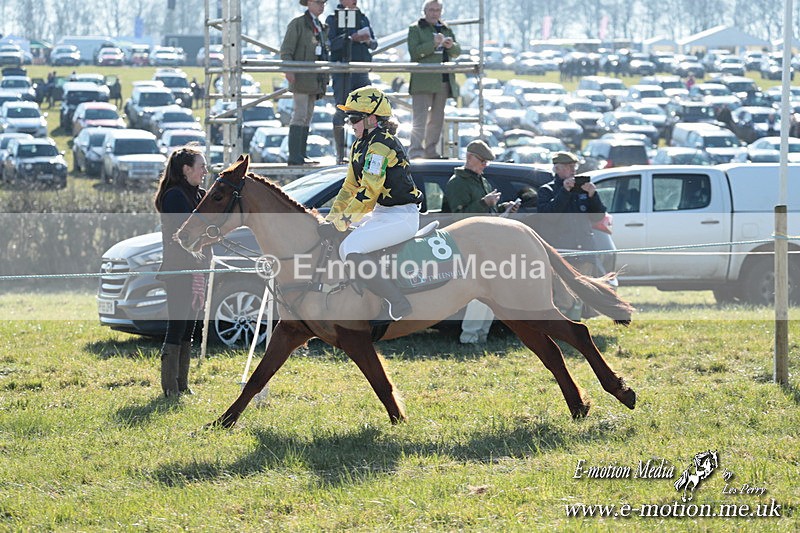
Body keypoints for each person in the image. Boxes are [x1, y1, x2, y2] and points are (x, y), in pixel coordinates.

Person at [318, 86, 422, 325]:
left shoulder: (381, 146)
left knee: (350, 249)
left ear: (372, 118)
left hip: (401, 217)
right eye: (349, 118)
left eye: (355, 118)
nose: (351, 124)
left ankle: (398, 303)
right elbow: (349, 188)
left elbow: (369, 191)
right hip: (382, 214)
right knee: (340, 241)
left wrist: (342, 224)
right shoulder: (360, 145)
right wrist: (331, 220)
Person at [440, 140, 519, 343]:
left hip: (484, 244)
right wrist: (485, 202)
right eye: (482, 161)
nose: (485, 165)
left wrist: (503, 208)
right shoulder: (457, 183)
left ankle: (480, 334)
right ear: (469, 158)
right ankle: (470, 336)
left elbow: (486, 213)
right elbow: (460, 219)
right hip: (466, 245)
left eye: (487, 162)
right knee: (481, 290)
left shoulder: (481, 181)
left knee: (489, 290)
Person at [153, 145, 211, 397]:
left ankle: (182, 384)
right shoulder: (174, 196)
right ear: (187, 169)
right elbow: (190, 232)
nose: (205, 171)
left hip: (196, 269)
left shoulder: (199, 194)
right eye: (201, 167)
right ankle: (169, 387)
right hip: (179, 270)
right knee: (177, 326)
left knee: (189, 327)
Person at [536, 151, 608, 321]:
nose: (573, 170)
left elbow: (597, 217)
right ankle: (561, 331)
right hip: (562, 254)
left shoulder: (581, 190)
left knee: (580, 298)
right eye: (569, 167)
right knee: (564, 299)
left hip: (584, 250)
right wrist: (565, 191)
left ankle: (575, 330)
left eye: (574, 166)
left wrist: (593, 196)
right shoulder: (547, 190)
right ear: (557, 168)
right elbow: (549, 216)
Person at [407, 0, 461, 159]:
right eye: (431, 10)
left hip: (443, 81)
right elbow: (414, 52)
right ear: (424, 11)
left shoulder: (446, 29)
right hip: (423, 81)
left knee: (437, 119)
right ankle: (416, 151)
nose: (434, 13)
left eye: (437, 10)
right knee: (420, 119)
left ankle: (431, 151)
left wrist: (451, 46)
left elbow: (457, 51)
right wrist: (433, 44)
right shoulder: (415, 29)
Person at [326, 0, 378, 165]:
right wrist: (349, 37)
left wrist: (367, 40)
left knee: (367, 110)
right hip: (342, 71)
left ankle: (364, 150)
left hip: (361, 70)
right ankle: (340, 154)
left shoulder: (362, 17)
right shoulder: (332, 19)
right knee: (342, 109)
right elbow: (331, 44)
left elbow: (374, 43)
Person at [280, 0, 330, 165]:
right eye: (318, 3)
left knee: (307, 116)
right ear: (308, 3)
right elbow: (286, 50)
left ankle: (300, 155)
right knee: (300, 115)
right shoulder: (298, 24)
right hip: (302, 78)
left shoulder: (320, 26)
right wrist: (289, 70)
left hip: (314, 79)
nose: (321, 6)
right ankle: (295, 156)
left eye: (323, 3)